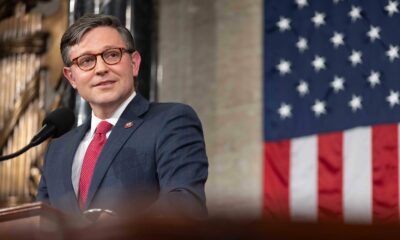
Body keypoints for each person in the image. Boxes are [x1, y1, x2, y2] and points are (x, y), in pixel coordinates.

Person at [36, 14, 208, 219]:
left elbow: (185, 203)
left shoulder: (171, 121)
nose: (101, 69)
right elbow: (40, 224)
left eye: (111, 55)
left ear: (134, 63)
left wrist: (122, 229)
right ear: (71, 77)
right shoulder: (57, 149)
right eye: (86, 60)